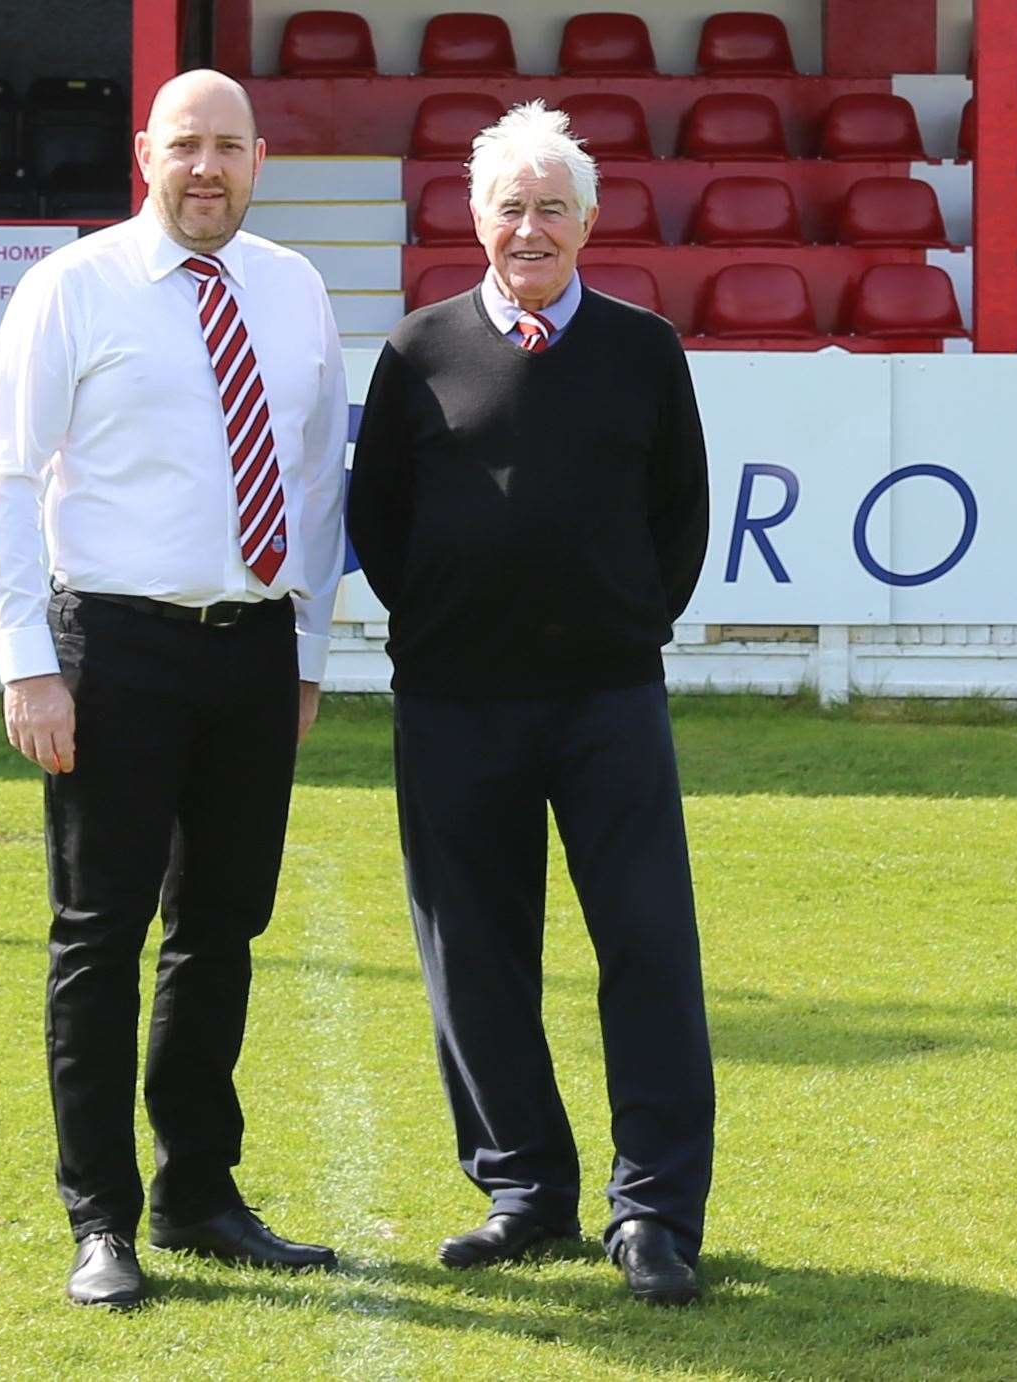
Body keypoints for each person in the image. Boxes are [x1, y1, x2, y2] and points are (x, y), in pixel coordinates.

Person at [0, 68, 348, 1310]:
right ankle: (100, 1219)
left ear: (257, 160)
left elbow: (313, 484)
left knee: (222, 926)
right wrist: (30, 660)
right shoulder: (70, 288)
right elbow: (6, 481)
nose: (206, 168)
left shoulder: (293, 289)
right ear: (145, 152)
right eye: (184, 144)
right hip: (112, 650)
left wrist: (305, 653)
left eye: (228, 147)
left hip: (251, 650)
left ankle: (199, 1190)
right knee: (99, 934)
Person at [346, 101, 715, 1306]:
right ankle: (524, 1192)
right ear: (474, 218)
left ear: (591, 222)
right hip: (456, 701)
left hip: (608, 698)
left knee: (648, 947)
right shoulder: (415, 353)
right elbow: (379, 526)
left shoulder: (645, 349)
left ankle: (653, 1210)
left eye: (553, 206)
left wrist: (617, 622)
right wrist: (454, 621)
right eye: (510, 205)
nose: (530, 226)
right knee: (478, 957)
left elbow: (680, 519)